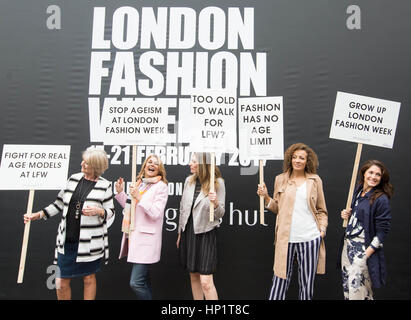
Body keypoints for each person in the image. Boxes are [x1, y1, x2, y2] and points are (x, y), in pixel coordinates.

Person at [23, 147, 115, 300]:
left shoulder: (105, 186)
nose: (82, 163)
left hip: (89, 244)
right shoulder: (73, 179)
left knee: (89, 279)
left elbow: (110, 212)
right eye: (83, 160)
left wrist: (99, 212)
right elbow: (58, 204)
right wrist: (38, 215)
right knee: (59, 281)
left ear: (96, 166)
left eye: (87, 162)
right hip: (67, 241)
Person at [257, 143, 328, 300]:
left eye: (301, 158)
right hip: (286, 239)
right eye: (294, 157)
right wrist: (266, 197)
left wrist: (321, 230)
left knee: (306, 284)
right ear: (290, 159)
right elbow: (277, 208)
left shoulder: (315, 180)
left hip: (310, 239)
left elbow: (322, 210)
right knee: (279, 280)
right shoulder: (280, 179)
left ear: (307, 161)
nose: (297, 160)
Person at [114, 154, 168, 300]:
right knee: (144, 281)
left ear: (159, 170)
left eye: (156, 164)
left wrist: (139, 197)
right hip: (134, 237)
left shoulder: (161, 187)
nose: (152, 165)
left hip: (146, 241)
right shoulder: (139, 184)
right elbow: (131, 208)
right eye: (150, 162)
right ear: (144, 166)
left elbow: (156, 213)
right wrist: (120, 193)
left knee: (136, 283)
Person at [338, 160, 392, 300]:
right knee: (348, 290)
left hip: (362, 250)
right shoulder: (358, 191)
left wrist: (365, 255)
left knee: (359, 292)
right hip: (347, 247)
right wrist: (347, 215)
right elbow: (359, 218)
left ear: (382, 178)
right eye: (371, 172)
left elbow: (382, 232)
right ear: (364, 173)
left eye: (378, 174)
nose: (373, 177)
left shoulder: (381, 199)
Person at [177, 152, 225, 300]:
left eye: (193, 161)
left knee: (206, 282)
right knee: (193, 276)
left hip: (206, 233)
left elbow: (220, 213)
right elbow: (182, 208)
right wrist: (180, 233)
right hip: (188, 232)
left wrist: (216, 203)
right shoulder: (188, 181)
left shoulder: (218, 183)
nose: (189, 164)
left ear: (203, 164)